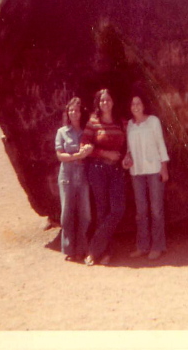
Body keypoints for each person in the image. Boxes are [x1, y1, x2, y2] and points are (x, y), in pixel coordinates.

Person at [81, 89, 127, 266]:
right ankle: (104, 253)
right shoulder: (93, 121)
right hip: (97, 169)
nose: (105, 103)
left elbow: (127, 147)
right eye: (101, 101)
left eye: (108, 100)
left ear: (113, 102)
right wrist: (105, 153)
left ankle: (93, 248)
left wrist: (125, 157)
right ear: (98, 103)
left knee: (118, 209)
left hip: (116, 170)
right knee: (102, 210)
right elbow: (84, 145)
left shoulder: (121, 122)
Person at [122, 93, 169, 260]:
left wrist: (164, 168)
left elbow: (160, 144)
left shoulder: (153, 121)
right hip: (137, 172)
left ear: (144, 105)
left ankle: (157, 246)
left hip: (154, 169)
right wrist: (127, 158)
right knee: (141, 211)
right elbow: (129, 148)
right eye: (133, 104)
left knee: (156, 210)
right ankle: (142, 246)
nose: (135, 106)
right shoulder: (130, 125)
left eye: (138, 103)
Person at [55, 97, 93, 262]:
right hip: (67, 177)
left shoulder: (87, 131)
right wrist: (76, 156)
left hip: (83, 176)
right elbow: (60, 155)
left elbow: (92, 147)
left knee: (85, 213)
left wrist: (89, 149)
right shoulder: (62, 132)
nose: (73, 113)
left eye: (76, 110)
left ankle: (82, 248)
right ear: (67, 113)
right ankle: (69, 249)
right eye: (70, 110)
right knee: (67, 213)